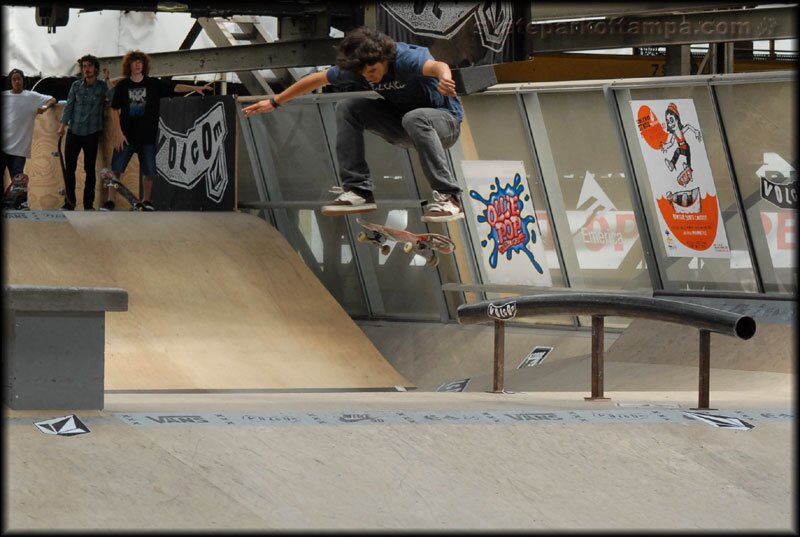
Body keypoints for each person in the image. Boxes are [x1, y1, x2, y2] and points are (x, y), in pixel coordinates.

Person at [243, 26, 465, 222]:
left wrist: (445, 79)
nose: (370, 78)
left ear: (384, 59)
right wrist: (275, 101)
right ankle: (359, 190)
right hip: (402, 125)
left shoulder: (404, 58)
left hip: (444, 122)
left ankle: (449, 197)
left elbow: (438, 66)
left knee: (415, 118)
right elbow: (316, 79)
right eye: (364, 75)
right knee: (348, 107)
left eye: (373, 71)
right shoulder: (359, 67)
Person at [101, 50, 211, 211]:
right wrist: (119, 133)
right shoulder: (123, 86)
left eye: (140, 62)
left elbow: (175, 87)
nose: (138, 65)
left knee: (149, 171)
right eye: (135, 62)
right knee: (116, 169)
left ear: (144, 65)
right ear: (129, 65)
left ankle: (147, 200)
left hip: (147, 136)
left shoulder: (153, 84)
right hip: (126, 137)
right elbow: (114, 109)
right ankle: (110, 201)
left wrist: (195, 87)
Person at [57, 55, 114, 210]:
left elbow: (113, 97)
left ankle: (88, 204)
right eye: (84, 66)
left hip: (91, 132)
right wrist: (62, 125)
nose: (86, 69)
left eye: (89, 66)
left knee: (89, 169)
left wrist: (108, 80)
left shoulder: (102, 86)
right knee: (70, 168)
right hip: (74, 131)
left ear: (95, 68)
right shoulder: (76, 85)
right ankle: (70, 202)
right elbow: (69, 106)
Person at [2, 68, 57, 181]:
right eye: (14, 79)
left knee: (17, 180)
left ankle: (22, 200)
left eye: (19, 79)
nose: (17, 81)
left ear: (23, 80)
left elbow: (53, 99)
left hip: (19, 149)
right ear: (11, 82)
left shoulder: (31, 96)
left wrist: (44, 107)